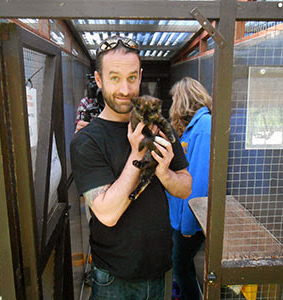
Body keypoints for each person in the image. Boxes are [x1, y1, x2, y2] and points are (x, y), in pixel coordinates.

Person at [70, 36, 192, 299]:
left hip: (158, 269)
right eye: (114, 78)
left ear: (140, 76)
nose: (125, 89)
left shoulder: (160, 126)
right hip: (114, 277)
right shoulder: (87, 140)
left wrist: (164, 173)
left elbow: (185, 187)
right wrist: (138, 155)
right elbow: (107, 214)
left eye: (132, 77)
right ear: (99, 80)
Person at [167, 77, 212, 300]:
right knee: (183, 265)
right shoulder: (193, 125)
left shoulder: (204, 127)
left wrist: (187, 224)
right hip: (181, 213)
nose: (172, 102)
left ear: (184, 99)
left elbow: (200, 182)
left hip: (189, 219)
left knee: (180, 267)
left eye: (175, 98)